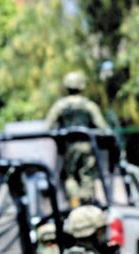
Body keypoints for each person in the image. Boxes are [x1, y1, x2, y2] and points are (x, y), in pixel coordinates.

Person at [45, 71, 110, 206]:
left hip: (69, 148)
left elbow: (47, 127)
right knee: (87, 176)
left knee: (70, 177)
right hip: (87, 146)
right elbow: (103, 128)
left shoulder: (60, 105)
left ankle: (75, 204)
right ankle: (87, 204)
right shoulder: (89, 105)